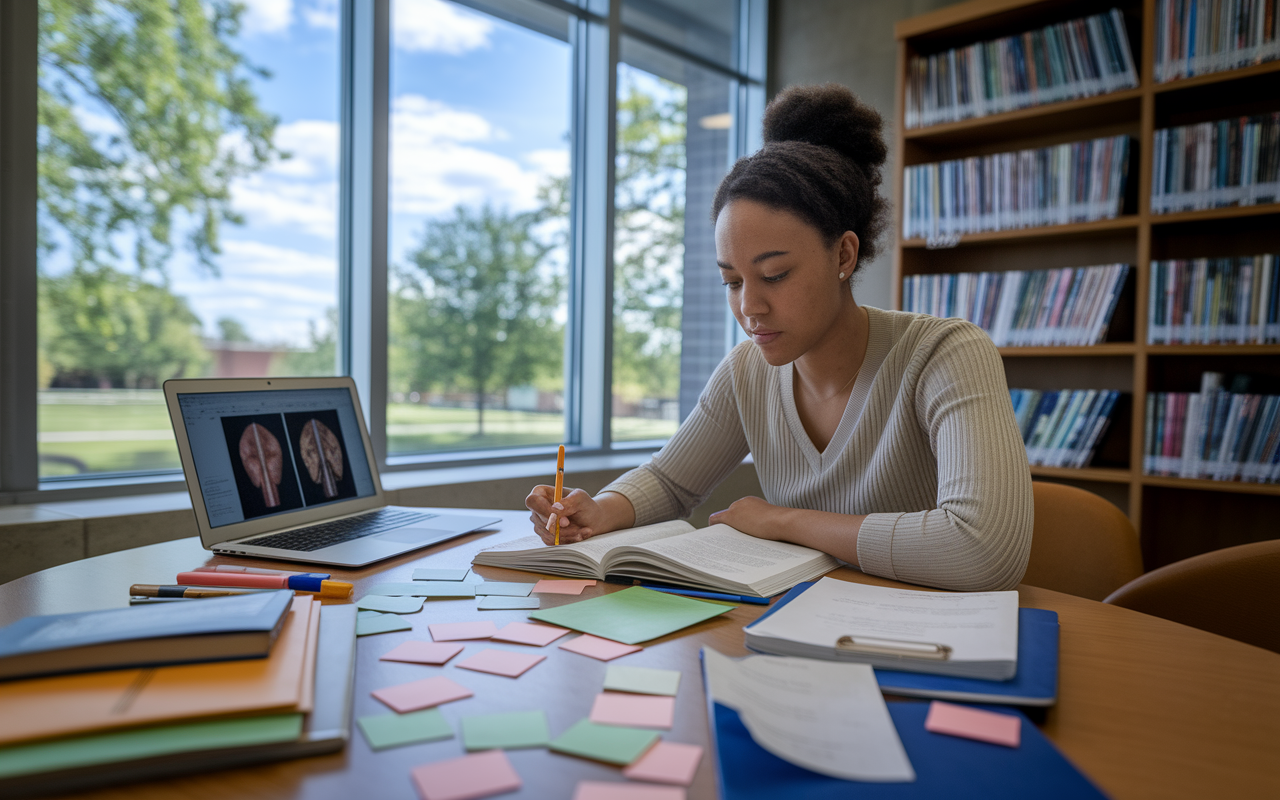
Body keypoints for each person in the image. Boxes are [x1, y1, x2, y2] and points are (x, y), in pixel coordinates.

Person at [526, 84, 1033, 592]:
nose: (748, 307)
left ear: (843, 256)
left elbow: (983, 549)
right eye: (732, 281)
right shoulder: (747, 371)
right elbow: (670, 481)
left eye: (774, 276)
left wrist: (783, 521)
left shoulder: (946, 354)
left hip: (924, 641)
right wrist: (598, 513)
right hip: (797, 627)